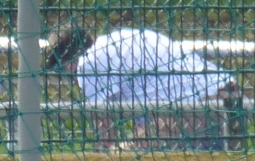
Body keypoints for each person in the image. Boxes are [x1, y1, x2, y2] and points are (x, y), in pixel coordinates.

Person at [46, 24, 242, 150]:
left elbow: (105, 136)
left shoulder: (88, 64)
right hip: (229, 97)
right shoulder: (116, 40)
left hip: (195, 109)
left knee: (123, 158)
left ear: (68, 59)